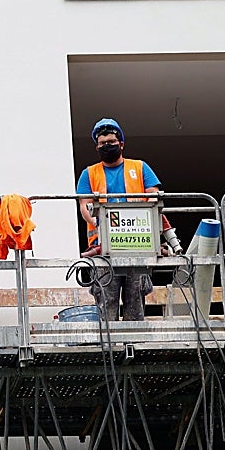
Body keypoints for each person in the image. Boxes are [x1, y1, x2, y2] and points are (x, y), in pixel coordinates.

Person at [76, 118, 161, 321]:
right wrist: (102, 224)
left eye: (111, 142)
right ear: (97, 146)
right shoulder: (89, 174)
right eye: (103, 143)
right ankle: (110, 350)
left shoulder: (140, 168)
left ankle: (133, 346)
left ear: (121, 144)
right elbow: (84, 206)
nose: (107, 146)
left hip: (138, 246)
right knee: (107, 301)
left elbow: (154, 196)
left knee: (135, 302)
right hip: (102, 248)